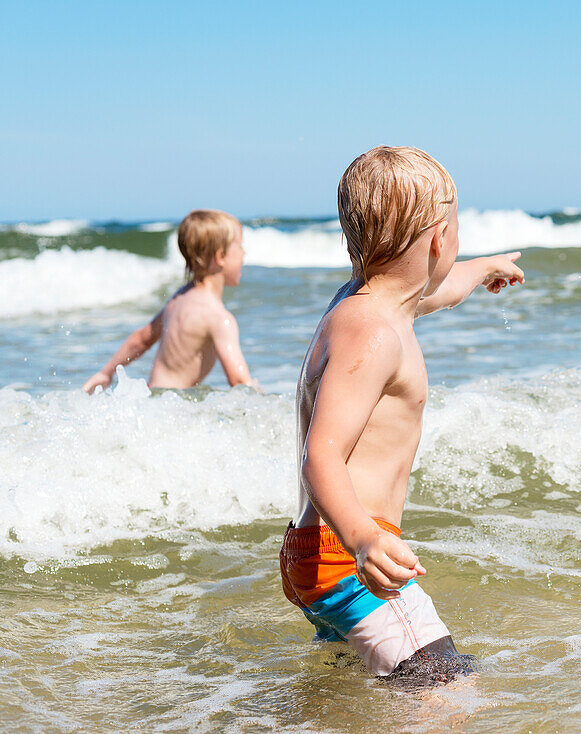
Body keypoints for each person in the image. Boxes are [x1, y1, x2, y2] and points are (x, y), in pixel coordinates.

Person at [280, 146, 524, 688]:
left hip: (317, 554)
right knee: (444, 691)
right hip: (348, 556)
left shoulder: (366, 305)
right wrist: (364, 539)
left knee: (351, 693)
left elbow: (436, 289)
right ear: (440, 238)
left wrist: (484, 267)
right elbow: (320, 453)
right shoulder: (374, 334)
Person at [81, 209, 255, 392]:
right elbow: (239, 382)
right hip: (174, 406)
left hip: (153, 396)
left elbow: (141, 339)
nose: (244, 253)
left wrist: (106, 373)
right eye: (240, 245)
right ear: (220, 257)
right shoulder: (219, 317)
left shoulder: (179, 299)